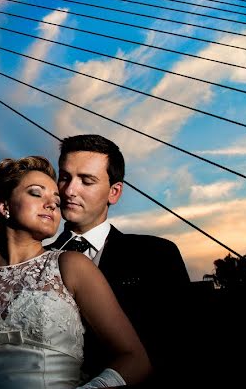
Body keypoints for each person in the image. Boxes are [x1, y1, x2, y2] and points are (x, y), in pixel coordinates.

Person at [0, 156, 151, 389]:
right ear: (4, 206)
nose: (51, 205)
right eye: (36, 194)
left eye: (56, 202)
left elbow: (135, 358)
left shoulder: (71, 266)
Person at [49, 134, 188, 385]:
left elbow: (181, 346)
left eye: (86, 181)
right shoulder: (37, 261)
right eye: (65, 177)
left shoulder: (157, 255)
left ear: (114, 192)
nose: (69, 190)